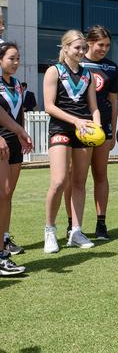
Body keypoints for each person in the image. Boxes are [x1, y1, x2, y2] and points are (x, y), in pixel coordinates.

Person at [43, 30, 102, 253]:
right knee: (59, 181)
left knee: (79, 182)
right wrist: (76, 121)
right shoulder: (53, 71)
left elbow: (94, 107)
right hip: (61, 127)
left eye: (83, 48)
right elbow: (49, 106)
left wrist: (95, 127)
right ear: (65, 48)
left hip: (83, 130)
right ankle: (50, 230)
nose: (81, 51)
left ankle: (75, 231)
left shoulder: (88, 74)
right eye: (77, 47)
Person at [65, 26, 118, 241]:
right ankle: (73, 226)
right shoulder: (77, 63)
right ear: (88, 42)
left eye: (107, 45)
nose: (103, 49)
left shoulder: (112, 68)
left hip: (102, 127)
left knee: (100, 174)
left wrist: (112, 131)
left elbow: (114, 103)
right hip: (78, 127)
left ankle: (101, 224)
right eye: (100, 45)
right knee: (75, 177)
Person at [0, 43, 33, 275]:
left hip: (13, 141)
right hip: (0, 141)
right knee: (2, 192)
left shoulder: (18, 85)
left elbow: (18, 113)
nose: (16, 62)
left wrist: (22, 133)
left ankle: (4, 241)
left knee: (7, 194)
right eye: (11, 58)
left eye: (18, 58)